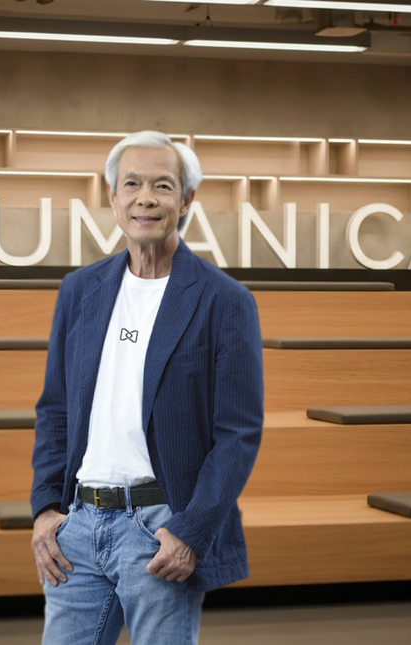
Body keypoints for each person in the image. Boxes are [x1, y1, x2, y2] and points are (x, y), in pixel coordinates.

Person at [30, 130, 264, 645]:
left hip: (161, 529)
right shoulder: (79, 290)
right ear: (112, 197)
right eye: (131, 184)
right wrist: (46, 508)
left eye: (162, 185)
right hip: (78, 528)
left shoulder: (224, 301)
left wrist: (191, 531)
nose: (146, 198)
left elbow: (238, 434)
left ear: (187, 199)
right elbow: (56, 410)